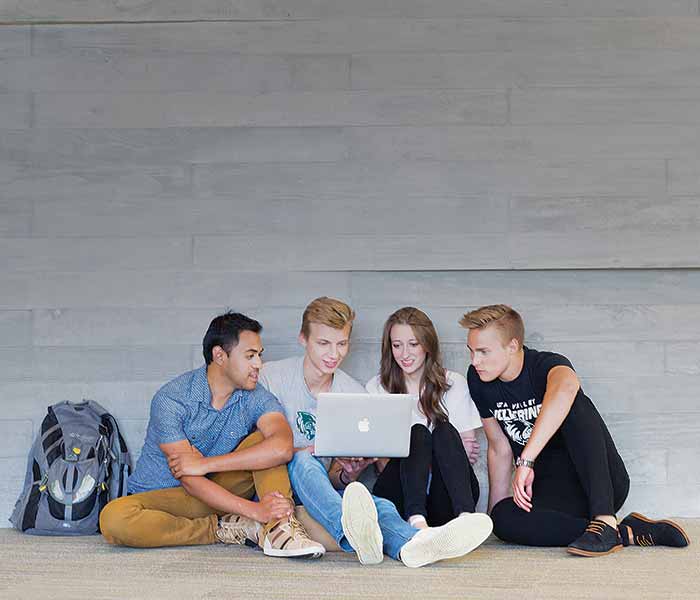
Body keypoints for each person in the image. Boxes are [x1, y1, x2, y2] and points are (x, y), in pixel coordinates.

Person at [259, 296, 493, 567]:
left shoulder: (353, 393)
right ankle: (377, 533)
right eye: (324, 343)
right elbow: (258, 444)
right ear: (303, 339)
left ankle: (415, 541)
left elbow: (337, 475)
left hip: (339, 492)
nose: (333, 354)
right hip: (290, 486)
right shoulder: (271, 377)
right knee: (307, 460)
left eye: (342, 344)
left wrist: (349, 472)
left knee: (377, 505)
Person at [460, 304, 690, 557]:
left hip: (600, 484)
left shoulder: (547, 365)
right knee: (502, 518)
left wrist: (526, 461)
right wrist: (496, 515)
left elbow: (566, 388)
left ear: (513, 346)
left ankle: (604, 517)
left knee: (574, 403)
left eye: (483, 352)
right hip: (554, 496)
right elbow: (499, 447)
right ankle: (622, 532)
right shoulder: (479, 380)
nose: (475, 361)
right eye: (471, 352)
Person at [100, 311, 325, 558]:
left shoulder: (255, 396)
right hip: (167, 497)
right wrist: (255, 510)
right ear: (220, 355)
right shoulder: (172, 399)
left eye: (259, 356)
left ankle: (281, 529)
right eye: (250, 356)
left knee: (264, 443)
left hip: (219, 489)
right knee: (114, 519)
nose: (259, 364)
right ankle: (220, 529)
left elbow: (281, 447)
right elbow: (189, 478)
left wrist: (204, 464)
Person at [366, 307, 482, 530]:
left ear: (427, 344)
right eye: (397, 345)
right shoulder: (377, 387)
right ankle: (416, 520)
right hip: (400, 493)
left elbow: (465, 453)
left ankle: (466, 519)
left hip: (448, 493)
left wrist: (419, 459)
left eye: (413, 344)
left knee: (443, 430)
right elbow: (380, 460)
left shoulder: (454, 382)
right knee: (418, 433)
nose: (405, 354)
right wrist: (422, 454)